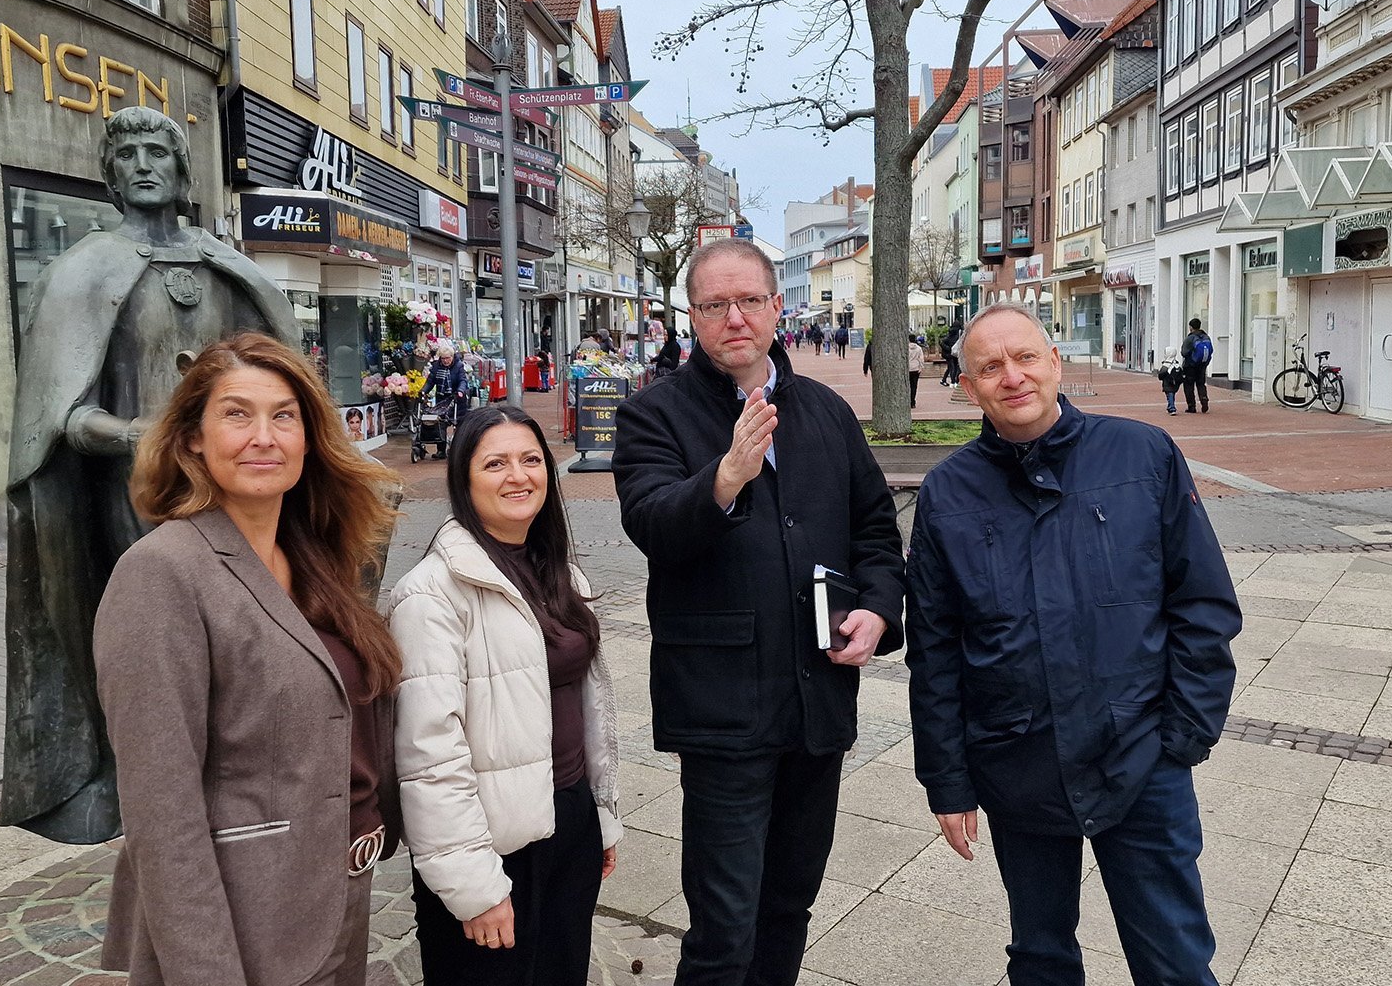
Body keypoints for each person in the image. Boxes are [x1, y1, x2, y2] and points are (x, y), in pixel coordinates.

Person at [904, 304, 1240, 986]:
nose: (1013, 377)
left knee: (1174, 958)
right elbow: (935, 651)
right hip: (1016, 760)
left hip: (1140, 755)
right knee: (1040, 956)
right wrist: (947, 778)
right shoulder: (947, 492)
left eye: (1026, 357)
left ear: (1054, 362)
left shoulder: (1142, 455)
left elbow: (1202, 602)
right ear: (968, 388)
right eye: (990, 367)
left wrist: (1183, 734)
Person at [3, 107, 302, 844]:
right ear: (110, 174)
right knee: (161, 644)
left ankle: (248, 773)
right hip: (135, 495)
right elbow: (61, 414)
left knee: (251, 629)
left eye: (157, 153)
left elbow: (280, 375)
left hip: (238, 490)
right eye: (127, 154)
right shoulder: (83, 271)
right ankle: (152, 787)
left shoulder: (224, 265)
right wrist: (134, 434)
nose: (143, 165)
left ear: (182, 170)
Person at [612, 238, 905, 986]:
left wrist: (877, 609)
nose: (734, 317)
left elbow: (875, 527)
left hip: (817, 699)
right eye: (715, 304)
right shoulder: (653, 415)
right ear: (693, 316)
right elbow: (652, 524)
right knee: (724, 928)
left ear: (777, 307)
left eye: (748, 300)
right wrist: (727, 475)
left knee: (789, 907)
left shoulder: (827, 412)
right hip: (723, 710)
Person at [95, 332, 404, 986]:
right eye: (237, 414)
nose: (264, 436)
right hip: (245, 922)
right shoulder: (162, 572)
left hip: (334, 897)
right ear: (192, 439)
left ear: (308, 438)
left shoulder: (314, 557)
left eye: (284, 416)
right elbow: (161, 811)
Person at [389, 405, 622, 985]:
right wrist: (473, 885)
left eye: (530, 460)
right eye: (495, 464)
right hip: (491, 841)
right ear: (464, 480)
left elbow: (589, 708)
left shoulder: (558, 571)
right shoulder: (431, 594)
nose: (518, 476)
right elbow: (428, 755)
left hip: (568, 817)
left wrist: (599, 816)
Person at [429, 342, 470, 458]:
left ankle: (459, 449)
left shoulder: (459, 366)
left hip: (457, 398)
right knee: (440, 423)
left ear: (452, 357)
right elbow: (430, 381)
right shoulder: (436, 367)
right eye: (443, 358)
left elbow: (462, 380)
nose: (445, 361)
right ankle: (441, 450)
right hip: (442, 399)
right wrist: (423, 391)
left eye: (448, 358)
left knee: (459, 424)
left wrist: (460, 391)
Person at [1181, 318, 1212, 414]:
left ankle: (1191, 406)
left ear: (1191, 327)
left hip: (1190, 366)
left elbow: (1184, 352)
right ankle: (1204, 399)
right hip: (1202, 365)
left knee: (1189, 386)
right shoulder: (1206, 337)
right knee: (1201, 384)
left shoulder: (1190, 338)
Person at [1156, 345, 1186, 416]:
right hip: (1176, 384)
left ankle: (1172, 408)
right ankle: (1169, 407)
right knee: (1172, 395)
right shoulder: (1177, 364)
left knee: (1169, 395)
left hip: (1167, 383)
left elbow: (1161, 375)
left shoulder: (1166, 365)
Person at [940, 319, 963, 387]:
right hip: (955, 352)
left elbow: (942, 342)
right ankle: (954, 381)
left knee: (951, 367)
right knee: (955, 367)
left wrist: (948, 348)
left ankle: (950, 381)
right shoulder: (960, 332)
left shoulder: (950, 332)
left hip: (950, 353)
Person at [907, 333, 925, 411]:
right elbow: (921, 359)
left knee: (907, 386)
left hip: (908, 368)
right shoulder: (918, 348)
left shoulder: (906, 348)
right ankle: (913, 402)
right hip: (916, 368)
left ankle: (907, 400)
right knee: (914, 386)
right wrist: (921, 367)